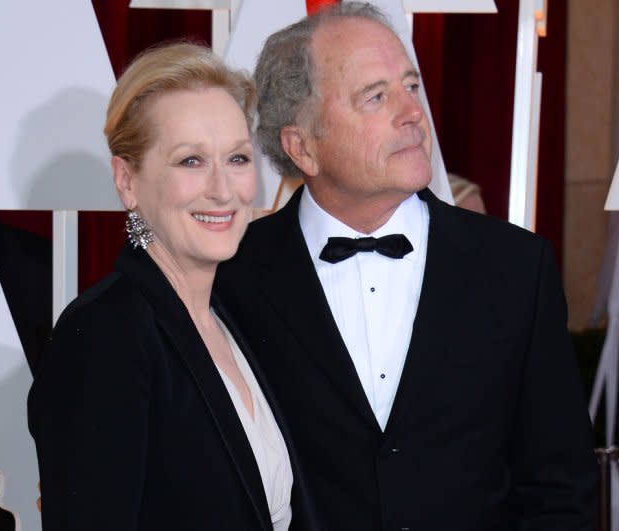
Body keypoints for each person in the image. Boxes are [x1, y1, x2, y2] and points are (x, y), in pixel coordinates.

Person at [215, 3, 598, 530]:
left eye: (411, 86)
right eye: (376, 96)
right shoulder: (231, 278)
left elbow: (560, 489)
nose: (413, 112)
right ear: (302, 147)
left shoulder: (515, 268)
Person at [28, 43, 312, 530]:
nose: (223, 190)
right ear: (127, 180)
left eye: (238, 159)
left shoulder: (234, 319)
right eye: (191, 161)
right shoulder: (107, 333)